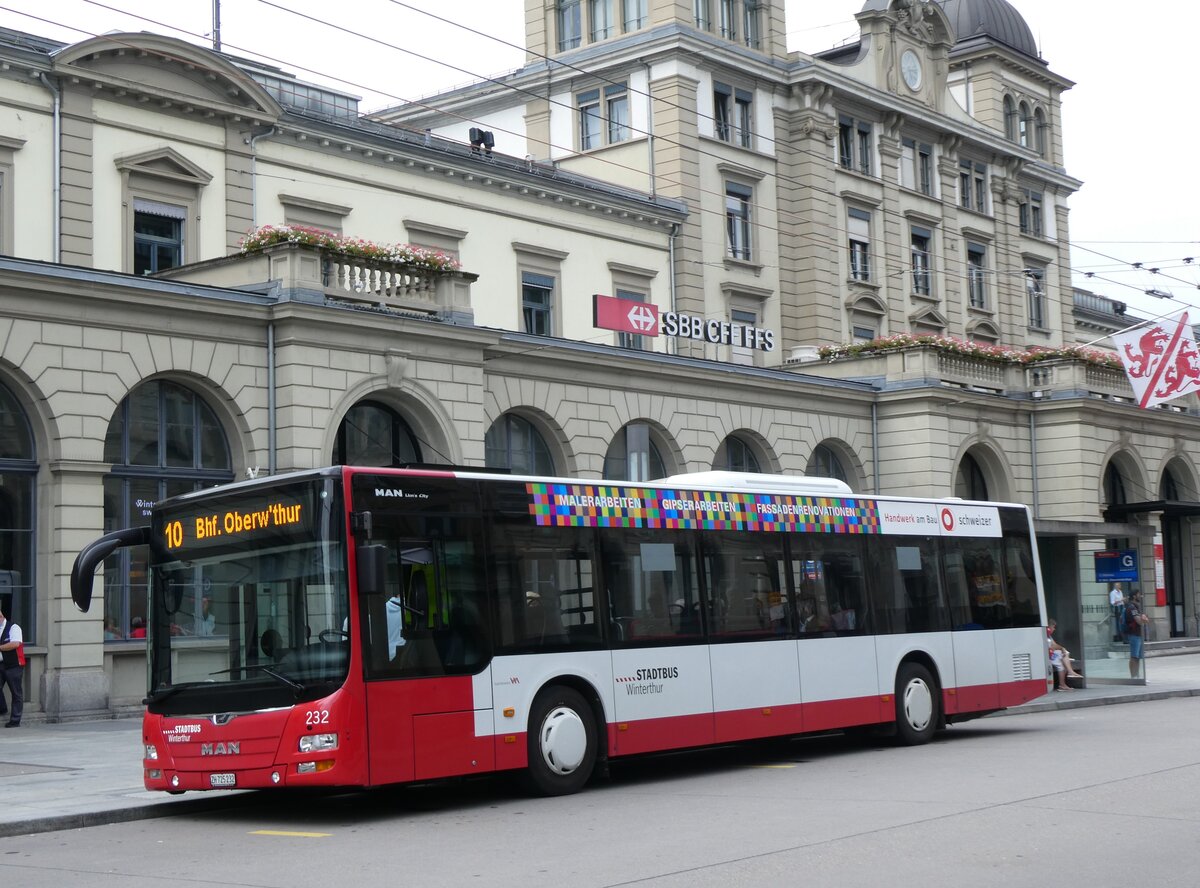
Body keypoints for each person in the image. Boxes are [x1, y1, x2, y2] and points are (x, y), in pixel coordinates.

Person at [0, 603, 25, 727]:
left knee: (16, 693)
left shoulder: (14, 627)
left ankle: (15, 720)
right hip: (1, 664)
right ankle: (2, 708)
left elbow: (15, 644)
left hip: (14, 665)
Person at [1046, 618, 1081, 690]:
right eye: (1053, 627)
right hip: (1047, 655)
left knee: (1064, 657)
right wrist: (1062, 649)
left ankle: (1066, 678)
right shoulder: (1045, 635)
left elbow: (1054, 645)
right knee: (1061, 664)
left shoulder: (1049, 636)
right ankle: (1068, 675)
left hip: (1051, 653)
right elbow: (1053, 646)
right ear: (1049, 627)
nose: (1054, 629)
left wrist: (1062, 649)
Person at [1122, 590, 1151, 679]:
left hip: (1138, 634)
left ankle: (1137, 676)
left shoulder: (1136, 607)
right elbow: (1139, 621)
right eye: (1139, 594)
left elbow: (1143, 620)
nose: (1140, 596)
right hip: (1134, 634)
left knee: (1137, 657)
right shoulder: (1132, 608)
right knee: (1134, 656)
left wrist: (1144, 620)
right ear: (1134, 596)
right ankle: (1133, 676)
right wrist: (1144, 620)